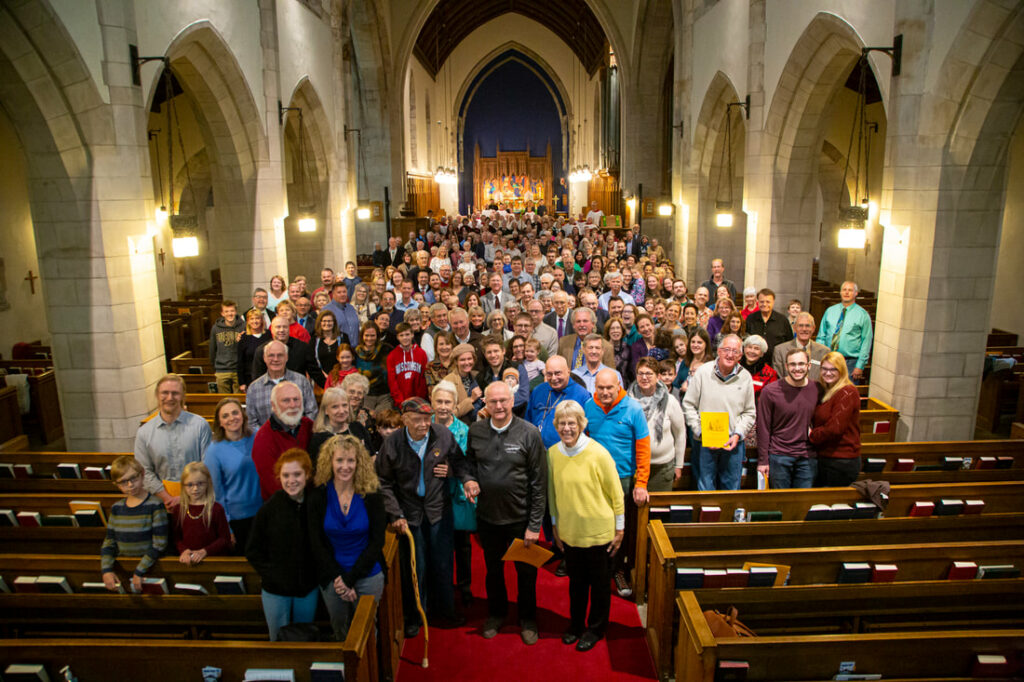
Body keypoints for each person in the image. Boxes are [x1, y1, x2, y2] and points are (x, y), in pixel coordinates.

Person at [376, 397, 473, 636]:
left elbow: (460, 463)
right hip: (409, 516)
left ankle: (446, 610)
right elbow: (383, 482)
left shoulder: (442, 434)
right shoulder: (393, 443)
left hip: (438, 510)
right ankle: (416, 614)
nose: (424, 425)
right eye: (417, 420)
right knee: (415, 568)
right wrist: (394, 513)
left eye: (426, 419)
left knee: (442, 563)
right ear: (405, 419)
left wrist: (466, 479)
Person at [464, 382, 546, 645]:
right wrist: (468, 479)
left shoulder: (529, 433)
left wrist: (534, 525)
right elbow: (467, 463)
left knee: (526, 574)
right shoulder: (475, 431)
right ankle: (496, 614)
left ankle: (528, 619)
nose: (498, 406)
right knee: (493, 571)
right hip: (487, 519)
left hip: (521, 521)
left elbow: (539, 482)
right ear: (485, 404)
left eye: (503, 401)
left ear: (512, 401)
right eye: (493, 402)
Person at [547, 400, 624, 652]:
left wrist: (620, 529)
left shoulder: (598, 453)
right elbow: (552, 493)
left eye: (572, 423)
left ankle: (596, 628)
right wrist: (556, 527)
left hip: (599, 532)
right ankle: (576, 625)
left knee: (600, 586)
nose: (566, 428)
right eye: (562, 423)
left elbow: (616, 495)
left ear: (581, 424)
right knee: (576, 584)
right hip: (570, 532)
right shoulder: (553, 454)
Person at [308, 435, 387, 640]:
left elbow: (377, 541)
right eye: (339, 460)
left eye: (351, 460)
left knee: (368, 631)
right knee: (340, 630)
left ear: (359, 462)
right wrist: (339, 579)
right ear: (330, 462)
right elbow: (316, 542)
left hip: (367, 573)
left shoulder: (372, 494)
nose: (345, 466)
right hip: (332, 575)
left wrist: (350, 579)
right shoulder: (319, 495)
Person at [584, 369, 651, 598]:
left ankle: (617, 570)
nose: (604, 392)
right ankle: (598, 567)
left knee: (621, 528)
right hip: (595, 478)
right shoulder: (588, 407)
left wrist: (641, 482)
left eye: (609, 388)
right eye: (600, 388)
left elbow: (643, 448)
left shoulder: (633, 408)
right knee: (597, 524)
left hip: (623, 477)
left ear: (618, 386)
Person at [246, 448, 319, 641]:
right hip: (276, 590)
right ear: (279, 477)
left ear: (307, 475)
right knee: (278, 641)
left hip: (307, 587)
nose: (291, 480)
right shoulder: (269, 508)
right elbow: (253, 551)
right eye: (286, 475)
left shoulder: (315, 504)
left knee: (304, 638)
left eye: (297, 474)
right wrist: (274, 575)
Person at [682, 335, 756, 491]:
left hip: (733, 444)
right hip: (705, 443)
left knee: (731, 490)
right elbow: (688, 405)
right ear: (719, 351)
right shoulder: (703, 372)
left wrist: (737, 434)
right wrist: (700, 431)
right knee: (705, 489)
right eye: (726, 350)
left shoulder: (745, 377)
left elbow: (749, 412)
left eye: (735, 351)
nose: (730, 355)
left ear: (740, 356)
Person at [133, 374, 212, 511]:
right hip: (162, 503)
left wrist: (185, 497)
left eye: (175, 393)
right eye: (165, 393)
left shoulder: (200, 425)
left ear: (182, 396)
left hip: (198, 499)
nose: (170, 398)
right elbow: (144, 471)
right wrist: (166, 497)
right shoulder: (144, 433)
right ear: (157, 395)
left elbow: (208, 464)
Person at [431, 380, 474, 606]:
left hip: (456, 494)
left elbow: (467, 462)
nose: (443, 406)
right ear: (432, 402)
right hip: (430, 495)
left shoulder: (464, 430)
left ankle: (465, 586)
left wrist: (451, 470)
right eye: (439, 401)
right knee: (438, 544)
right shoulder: (424, 424)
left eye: (448, 402)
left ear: (455, 404)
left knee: (462, 545)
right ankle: (441, 587)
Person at [100, 455, 169, 592]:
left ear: (142, 474)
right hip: (125, 569)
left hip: (150, 568)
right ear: (116, 484)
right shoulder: (117, 508)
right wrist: (106, 570)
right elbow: (109, 541)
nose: (130, 485)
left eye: (133, 478)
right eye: (123, 482)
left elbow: (159, 544)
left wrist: (139, 570)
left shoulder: (155, 505)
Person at [756, 349, 819, 488]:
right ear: (786, 366)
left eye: (801, 364)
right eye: (793, 364)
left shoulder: (817, 388)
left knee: (803, 503)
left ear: (809, 365)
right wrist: (763, 461)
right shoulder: (771, 391)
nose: (797, 368)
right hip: (779, 455)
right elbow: (763, 428)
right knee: (780, 503)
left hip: (807, 457)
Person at [204, 398, 262, 553]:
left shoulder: (258, 437)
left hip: (263, 512)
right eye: (225, 416)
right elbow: (217, 493)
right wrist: (227, 526)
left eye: (235, 412)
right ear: (220, 423)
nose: (232, 418)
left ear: (243, 415)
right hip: (237, 519)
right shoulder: (214, 451)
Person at [629, 357, 687, 492]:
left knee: (659, 511)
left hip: (662, 467)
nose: (644, 377)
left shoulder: (670, 401)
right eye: (640, 373)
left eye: (649, 373)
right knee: (634, 511)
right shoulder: (628, 402)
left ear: (658, 376)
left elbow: (680, 434)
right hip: (634, 466)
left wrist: (678, 465)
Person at [252, 381, 314, 500]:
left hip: (310, 502)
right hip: (281, 505)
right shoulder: (263, 437)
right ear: (273, 405)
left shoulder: (309, 426)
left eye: (296, 399)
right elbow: (272, 484)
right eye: (286, 400)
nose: (293, 405)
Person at [810, 353, 862, 486]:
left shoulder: (847, 392)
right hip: (826, 457)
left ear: (842, 371)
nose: (828, 373)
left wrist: (811, 434)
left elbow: (834, 429)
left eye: (833, 369)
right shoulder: (826, 390)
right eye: (824, 369)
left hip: (841, 460)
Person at [245, 341, 318, 429]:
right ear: (264, 358)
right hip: (266, 440)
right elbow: (252, 422)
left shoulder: (301, 381)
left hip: (298, 439)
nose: (275, 359)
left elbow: (311, 412)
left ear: (286, 357)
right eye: (271, 355)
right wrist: (267, 437)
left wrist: (299, 434)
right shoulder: (254, 389)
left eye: (280, 355)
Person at [173, 462, 231, 564]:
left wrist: (205, 551)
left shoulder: (216, 509)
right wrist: (184, 550)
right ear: (183, 485)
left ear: (208, 483)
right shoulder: (178, 509)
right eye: (190, 485)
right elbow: (176, 537)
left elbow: (224, 539)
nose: (195, 488)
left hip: (213, 561)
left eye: (200, 483)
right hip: (188, 561)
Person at [816, 281, 873, 383]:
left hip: (850, 362)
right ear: (840, 292)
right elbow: (821, 335)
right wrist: (821, 357)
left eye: (850, 290)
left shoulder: (863, 315)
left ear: (856, 293)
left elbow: (866, 341)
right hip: (829, 359)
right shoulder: (830, 311)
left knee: (846, 394)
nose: (846, 292)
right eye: (844, 290)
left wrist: (860, 366)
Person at [308, 387, 375, 466]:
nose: (342, 411)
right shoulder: (319, 438)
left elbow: (372, 456)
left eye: (344, 405)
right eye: (335, 407)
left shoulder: (357, 427)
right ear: (326, 410)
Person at [772, 312, 831, 381]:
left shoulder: (824, 352)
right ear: (794, 328)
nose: (804, 329)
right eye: (800, 325)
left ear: (813, 328)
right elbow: (779, 379)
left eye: (808, 326)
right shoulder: (780, 350)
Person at [387, 322, 428, 406]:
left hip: (419, 401)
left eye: (407, 334)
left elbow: (424, 378)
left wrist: (419, 399)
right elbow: (392, 381)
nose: (405, 338)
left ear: (412, 335)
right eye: (401, 335)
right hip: (400, 402)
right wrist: (400, 401)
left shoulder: (421, 353)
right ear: (397, 337)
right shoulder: (392, 356)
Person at [744, 288, 793, 360]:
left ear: (773, 302)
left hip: (777, 361)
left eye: (768, 302)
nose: (764, 304)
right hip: (755, 361)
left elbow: (789, 342)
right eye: (762, 302)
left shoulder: (782, 320)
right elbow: (746, 339)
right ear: (758, 301)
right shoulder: (751, 318)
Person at [354, 321, 392, 412]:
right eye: (366, 335)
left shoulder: (387, 349)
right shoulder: (356, 352)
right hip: (365, 396)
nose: (369, 338)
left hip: (385, 395)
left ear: (377, 336)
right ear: (362, 336)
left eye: (372, 335)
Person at [209, 300, 245, 393]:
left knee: (239, 401)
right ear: (222, 313)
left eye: (232, 311)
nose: (230, 314)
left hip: (238, 370)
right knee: (224, 401)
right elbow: (212, 349)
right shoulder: (216, 328)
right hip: (222, 370)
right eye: (227, 311)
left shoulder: (243, 326)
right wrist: (215, 366)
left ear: (236, 312)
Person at [237, 309, 270, 392]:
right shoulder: (243, 337)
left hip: (267, 375)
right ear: (247, 321)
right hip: (249, 377)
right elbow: (240, 362)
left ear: (262, 320)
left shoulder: (268, 335)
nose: (254, 321)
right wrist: (242, 382)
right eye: (252, 319)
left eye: (257, 318)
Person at [310, 310, 344, 388]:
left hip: (341, 381)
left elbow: (348, 359)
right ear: (320, 323)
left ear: (334, 323)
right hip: (320, 382)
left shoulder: (343, 338)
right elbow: (312, 363)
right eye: (324, 321)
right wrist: (325, 379)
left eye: (329, 321)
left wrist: (337, 378)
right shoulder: (314, 340)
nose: (327, 323)